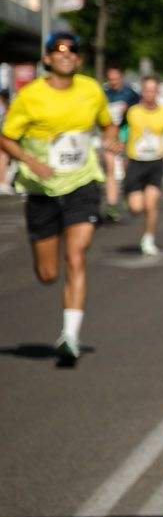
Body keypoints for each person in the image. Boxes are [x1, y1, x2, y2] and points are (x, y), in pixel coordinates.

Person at [0, 32, 118, 365]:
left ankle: (70, 336)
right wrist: (32, 162)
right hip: (43, 190)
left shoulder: (91, 90)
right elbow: (7, 138)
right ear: (47, 58)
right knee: (48, 273)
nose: (66, 55)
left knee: (76, 255)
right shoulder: (30, 97)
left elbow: (107, 125)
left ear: (78, 59)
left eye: (72, 51)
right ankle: (65, 322)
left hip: (82, 183)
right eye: (58, 50)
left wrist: (111, 139)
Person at [121, 76, 163, 256]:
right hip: (136, 162)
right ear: (142, 92)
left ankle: (148, 239)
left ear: (157, 92)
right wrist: (120, 147)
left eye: (153, 90)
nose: (150, 94)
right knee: (137, 208)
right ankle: (130, 201)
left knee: (151, 203)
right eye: (147, 90)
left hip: (155, 162)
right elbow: (121, 131)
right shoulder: (132, 112)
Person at [99, 64, 140, 224]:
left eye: (116, 79)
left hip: (126, 135)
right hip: (109, 136)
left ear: (121, 77)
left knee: (125, 170)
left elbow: (137, 117)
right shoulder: (104, 94)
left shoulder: (131, 94)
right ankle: (112, 206)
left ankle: (127, 195)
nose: (113, 82)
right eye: (110, 79)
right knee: (110, 168)